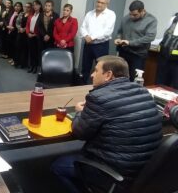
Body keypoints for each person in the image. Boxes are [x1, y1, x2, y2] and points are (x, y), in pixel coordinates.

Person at [52, 55, 162, 193]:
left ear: (108, 75)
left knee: (58, 166)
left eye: (96, 71)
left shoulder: (98, 98)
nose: (92, 75)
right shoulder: (143, 91)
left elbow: (79, 132)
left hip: (117, 173)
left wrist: (80, 112)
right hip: (145, 168)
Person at [115, 0, 157, 81]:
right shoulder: (127, 17)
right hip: (124, 52)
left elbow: (150, 37)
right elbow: (120, 31)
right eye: (130, 14)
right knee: (120, 77)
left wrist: (130, 43)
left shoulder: (151, 20)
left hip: (138, 55)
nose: (132, 17)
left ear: (143, 11)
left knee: (135, 79)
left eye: (135, 15)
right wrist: (118, 38)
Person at [80, 0, 116, 83]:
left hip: (101, 46)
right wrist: (86, 36)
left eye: (102, 3)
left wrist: (92, 37)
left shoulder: (111, 14)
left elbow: (107, 31)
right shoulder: (89, 13)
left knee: (101, 69)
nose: (99, 4)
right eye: (98, 2)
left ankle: (99, 88)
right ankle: (82, 87)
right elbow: (82, 27)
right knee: (85, 68)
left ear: (107, 4)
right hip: (88, 45)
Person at [155, 13, 178, 89]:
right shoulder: (174, 18)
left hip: (175, 61)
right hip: (164, 57)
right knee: (160, 84)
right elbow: (166, 35)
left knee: (174, 86)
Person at [26, 0, 43, 74]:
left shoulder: (42, 15)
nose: (34, 6)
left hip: (37, 37)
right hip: (30, 35)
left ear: (40, 6)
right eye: (33, 5)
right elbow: (27, 25)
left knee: (36, 53)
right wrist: (28, 33)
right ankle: (32, 66)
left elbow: (41, 27)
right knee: (31, 52)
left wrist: (35, 34)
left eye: (36, 5)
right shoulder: (31, 14)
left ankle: (35, 67)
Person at [15, 2, 32, 68]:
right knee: (18, 47)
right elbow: (17, 22)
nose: (26, 8)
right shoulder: (21, 13)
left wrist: (24, 29)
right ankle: (17, 62)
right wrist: (20, 28)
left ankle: (23, 64)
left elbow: (30, 25)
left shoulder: (31, 15)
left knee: (24, 49)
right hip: (20, 33)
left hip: (26, 34)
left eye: (28, 7)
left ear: (30, 8)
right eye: (25, 6)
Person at [5, 2, 22, 66]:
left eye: (18, 6)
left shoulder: (20, 14)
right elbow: (9, 20)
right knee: (11, 46)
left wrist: (13, 28)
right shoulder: (13, 12)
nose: (17, 7)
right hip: (10, 30)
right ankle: (12, 58)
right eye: (16, 6)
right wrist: (8, 26)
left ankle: (15, 59)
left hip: (15, 32)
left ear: (21, 7)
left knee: (15, 47)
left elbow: (19, 24)